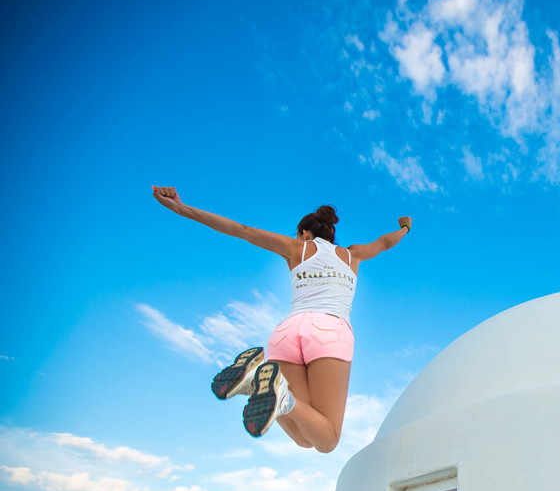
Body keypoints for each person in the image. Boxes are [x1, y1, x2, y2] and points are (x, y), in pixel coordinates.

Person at [151, 186, 411, 454]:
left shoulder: (295, 247)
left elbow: (242, 230)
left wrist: (180, 208)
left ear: (304, 233)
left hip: (287, 333)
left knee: (304, 437)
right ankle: (279, 395)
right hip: (329, 330)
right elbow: (385, 242)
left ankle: (256, 383)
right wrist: (404, 228)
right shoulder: (352, 254)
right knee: (327, 440)